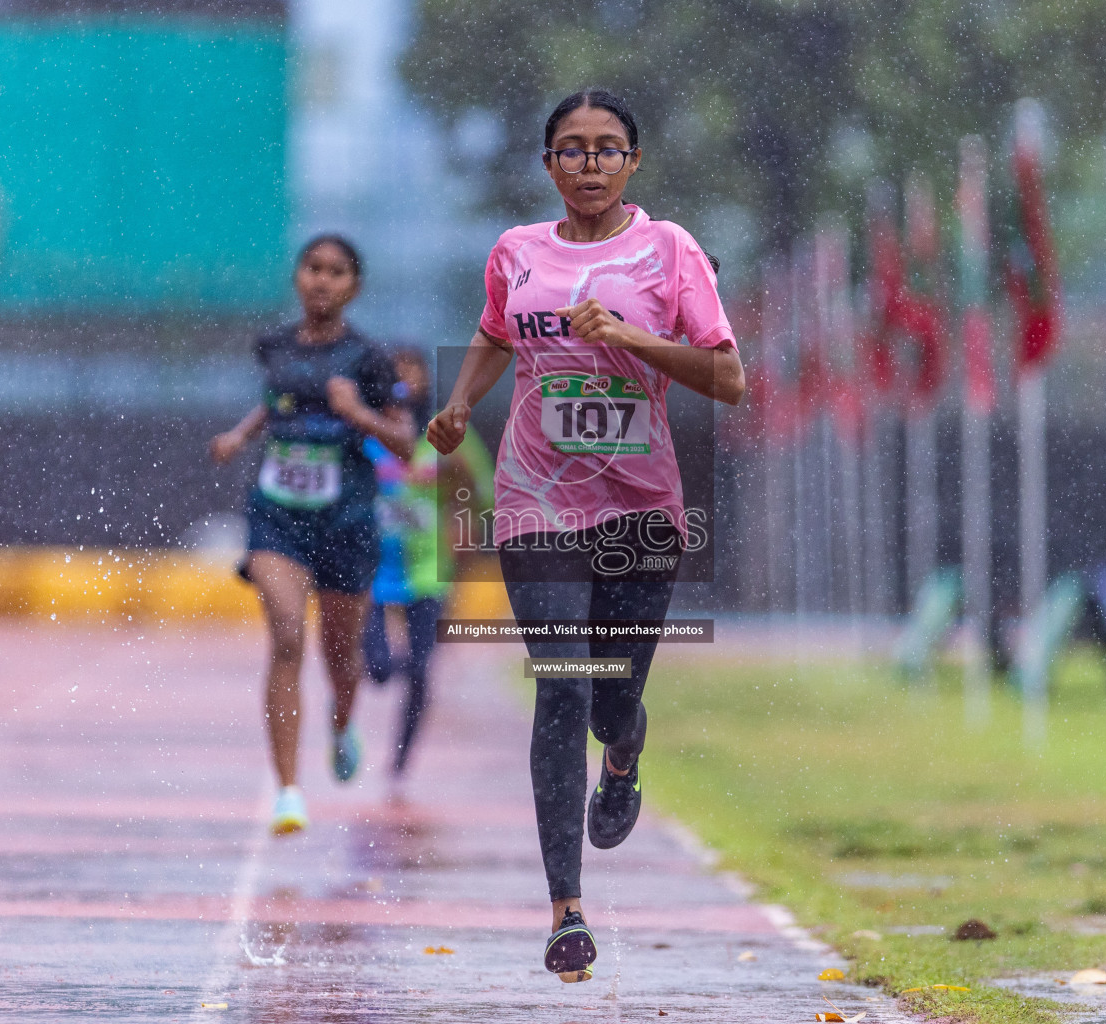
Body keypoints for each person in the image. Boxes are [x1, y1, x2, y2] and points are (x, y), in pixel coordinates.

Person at [426, 89, 745, 983]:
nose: (591, 163)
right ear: (549, 165)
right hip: (537, 506)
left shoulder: (670, 250)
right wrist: (459, 405)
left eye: (608, 149)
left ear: (632, 163)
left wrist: (633, 337)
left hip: (641, 512)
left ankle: (627, 752)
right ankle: (566, 910)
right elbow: (494, 333)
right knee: (563, 686)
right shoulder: (517, 254)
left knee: (610, 704)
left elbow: (729, 379)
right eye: (573, 149)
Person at [210, 234, 416, 837]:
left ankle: (342, 721)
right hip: (277, 515)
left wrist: (361, 417)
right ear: (298, 276)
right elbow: (279, 405)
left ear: (354, 286)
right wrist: (239, 436)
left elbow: (406, 443)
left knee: (340, 656)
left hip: (347, 520)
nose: (321, 280)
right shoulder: (271, 345)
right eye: (312, 268)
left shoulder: (370, 359)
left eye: (336, 272)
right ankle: (289, 791)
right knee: (288, 636)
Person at [362, 347, 492, 781]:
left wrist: (463, 514)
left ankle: (401, 757)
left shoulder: (446, 432)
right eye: (395, 374)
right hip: (371, 569)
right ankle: (351, 673)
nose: (405, 383)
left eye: (412, 374)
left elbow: (480, 495)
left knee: (419, 671)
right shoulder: (364, 430)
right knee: (379, 669)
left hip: (428, 570)